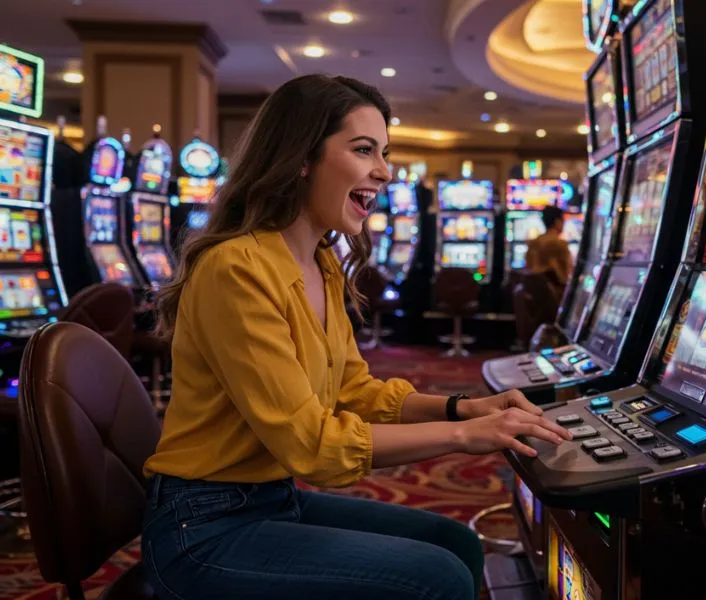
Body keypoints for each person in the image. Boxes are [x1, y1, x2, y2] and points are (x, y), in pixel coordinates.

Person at [141, 74, 571, 600]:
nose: (385, 172)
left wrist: (465, 408)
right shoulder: (237, 268)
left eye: (383, 152)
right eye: (364, 149)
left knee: (455, 542)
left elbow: (352, 391)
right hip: (203, 527)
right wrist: (469, 438)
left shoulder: (321, 261)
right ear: (302, 156)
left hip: (269, 497)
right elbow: (314, 448)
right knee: (436, 578)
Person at [525, 204, 574, 302]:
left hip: (534, 299)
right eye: (563, 221)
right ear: (557, 222)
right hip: (555, 300)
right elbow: (565, 277)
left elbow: (529, 269)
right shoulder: (560, 244)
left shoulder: (533, 243)